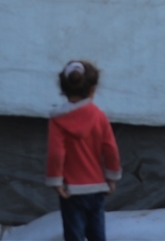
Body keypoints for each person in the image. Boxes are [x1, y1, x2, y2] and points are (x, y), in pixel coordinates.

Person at [47, 61, 121, 241]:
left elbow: (56, 153)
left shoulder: (58, 120)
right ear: (93, 88)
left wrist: (56, 181)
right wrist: (111, 178)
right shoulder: (99, 117)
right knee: (97, 234)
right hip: (96, 187)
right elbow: (110, 149)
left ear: (64, 89)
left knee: (74, 234)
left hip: (71, 190)